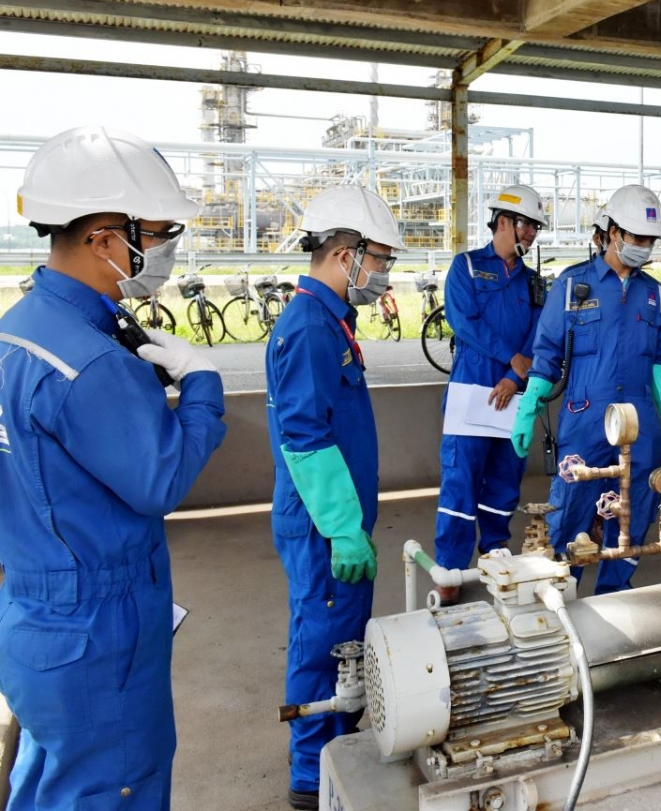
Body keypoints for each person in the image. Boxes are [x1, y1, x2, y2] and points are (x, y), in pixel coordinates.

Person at [0, 127, 227, 811]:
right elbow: (162, 480)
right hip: (99, 628)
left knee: (51, 782)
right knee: (116, 786)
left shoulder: (19, 330)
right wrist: (203, 387)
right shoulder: (93, 363)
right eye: (155, 234)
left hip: (37, 617)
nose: (163, 250)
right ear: (104, 239)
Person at [266, 185, 403, 810]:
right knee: (322, 645)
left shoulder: (330, 320)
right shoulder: (309, 328)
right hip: (325, 526)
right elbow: (304, 438)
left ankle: (336, 755)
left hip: (336, 519)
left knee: (342, 640)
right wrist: (344, 529)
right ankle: (309, 775)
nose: (384, 274)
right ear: (346, 255)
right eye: (381, 259)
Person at [511, 184, 661, 595]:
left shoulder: (655, 295)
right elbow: (546, 354)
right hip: (585, 420)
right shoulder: (572, 286)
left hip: (640, 425)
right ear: (612, 233)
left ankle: (613, 596)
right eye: (637, 238)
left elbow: (660, 362)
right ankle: (561, 596)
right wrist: (528, 408)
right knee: (570, 510)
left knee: (633, 514)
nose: (644, 247)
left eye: (650, 241)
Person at [434, 185, 548, 601]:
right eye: (527, 225)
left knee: (504, 478)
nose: (532, 233)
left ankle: (495, 552)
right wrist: (510, 359)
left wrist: (514, 377)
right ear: (503, 222)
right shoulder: (466, 266)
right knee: (461, 478)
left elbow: (539, 334)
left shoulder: (533, 281)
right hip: (471, 389)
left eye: (535, 227)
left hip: (513, 392)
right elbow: (464, 322)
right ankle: (450, 568)